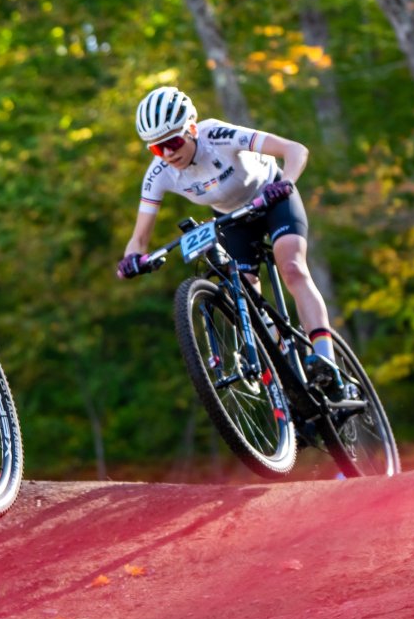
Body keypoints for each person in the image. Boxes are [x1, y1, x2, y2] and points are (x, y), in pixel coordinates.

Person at [116, 85, 343, 392]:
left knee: (292, 267)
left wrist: (286, 183)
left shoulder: (217, 135)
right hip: (233, 218)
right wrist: (131, 259)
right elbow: (139, 239)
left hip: (271, 198)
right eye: (158, 148)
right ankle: (285, 363)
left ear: (192, 129)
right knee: (243, 294)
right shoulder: (159, 173)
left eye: (173, 141)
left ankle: (325, 359)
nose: (168, 153)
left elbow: (295, 150)